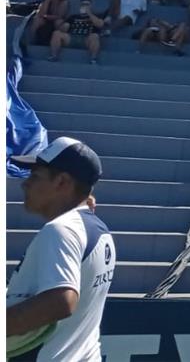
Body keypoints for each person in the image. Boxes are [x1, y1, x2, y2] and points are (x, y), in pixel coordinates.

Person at [6, 137, 113, 362]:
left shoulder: (60, 230)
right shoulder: (97, 228)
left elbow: (61, 301)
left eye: (35, 176)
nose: (25, 183)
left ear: (62, 182)